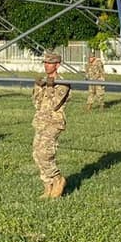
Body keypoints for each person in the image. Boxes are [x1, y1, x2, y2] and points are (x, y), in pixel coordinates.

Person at [32, 50, 71, 199]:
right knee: (36, 154)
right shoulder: (44, 81)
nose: (47, 66)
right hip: (41, 121)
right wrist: (39, 87)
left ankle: (58, 179)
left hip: (54, 122)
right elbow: (36, 102)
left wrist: (49, 87)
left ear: (57, 65)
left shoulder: (63, 83)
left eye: (50, 63)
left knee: (45, 153)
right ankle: (48, 185)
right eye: (46, 63)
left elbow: (55, 104)